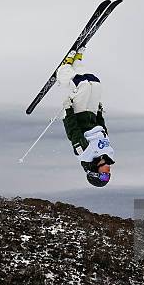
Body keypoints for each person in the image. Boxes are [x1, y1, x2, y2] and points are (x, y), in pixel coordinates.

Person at [56, 46, 115, 187]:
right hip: (92, 114)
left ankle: (64, 69)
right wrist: (99, 113)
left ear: (95, 172)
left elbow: (73, 132)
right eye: (108, 175)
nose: (108, 172)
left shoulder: (85, 154)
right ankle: (76, 63)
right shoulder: (109, 155)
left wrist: (68, 110)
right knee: (95, 84)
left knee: (82, 85)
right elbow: (103, 131)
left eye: (105, 175)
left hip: (77, 114)